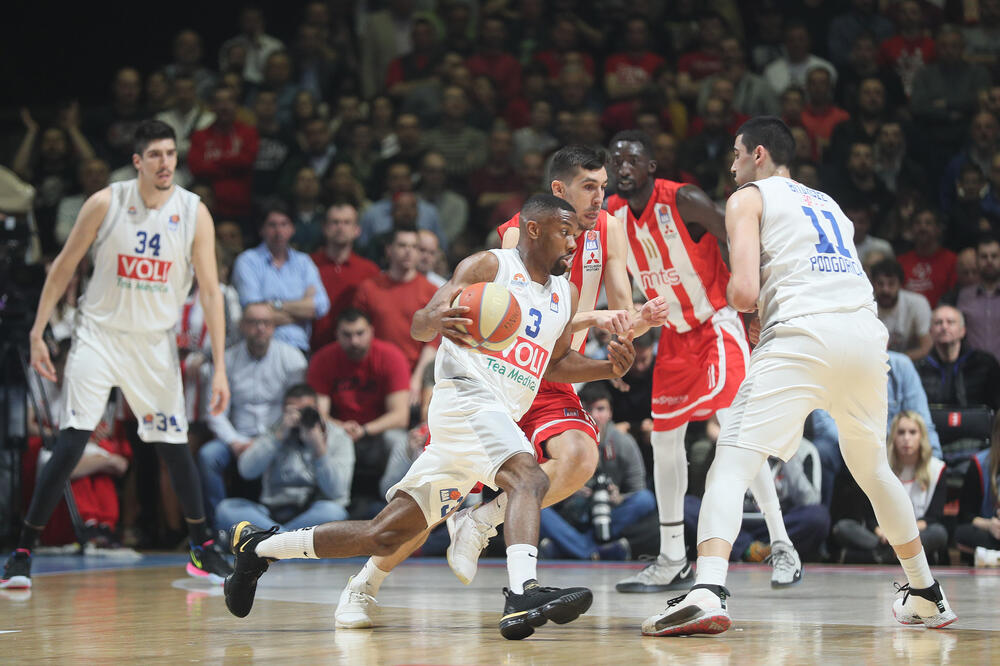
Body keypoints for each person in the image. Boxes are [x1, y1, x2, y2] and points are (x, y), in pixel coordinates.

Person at [222, 194, 636, 640]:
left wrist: (608, 369)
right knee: (529, 478)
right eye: (565, 233)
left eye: (577, 235)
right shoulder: (489, 267)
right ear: (533, 230)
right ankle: (522, 592)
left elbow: (554, 364)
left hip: (493, 417)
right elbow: (421, 325)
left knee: (385, 534)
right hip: (466, 397)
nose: (574, 243)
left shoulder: (564, 293)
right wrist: (436, 318)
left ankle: (259, 547)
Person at [642, 116, 955, 637]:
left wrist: (739, 300)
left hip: (802, 334)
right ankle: (926, 592)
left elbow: (743, 292)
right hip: (864, 335)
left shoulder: (748, 197)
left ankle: (708, 590)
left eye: (736, 155)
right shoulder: (829, 203)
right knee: (874, 470)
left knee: (731, 462)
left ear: (758, 154)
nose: (732, 167)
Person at [332, 145, 670, 627]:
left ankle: (483, 522)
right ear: (559, 191)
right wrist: (592, 318)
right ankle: (365, 583)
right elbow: (518, 315)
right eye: (589, 187)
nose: (600, 197)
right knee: (431, 503)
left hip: (549, 370)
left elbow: (619, 321)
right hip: (497, 373)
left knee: (580, 456)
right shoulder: (522, 231)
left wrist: (636, 324)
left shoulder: (609, 229)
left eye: (603, 187)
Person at [1, 120, 233, 590]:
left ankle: (202, 548)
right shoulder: (106, 202)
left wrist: (222, 368)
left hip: (153, 343)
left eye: (171, 153)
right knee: (71, 442)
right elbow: (63, 266)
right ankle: (22, 553)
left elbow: (210, 292)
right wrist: (37, 331)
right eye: (156, 155)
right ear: (137, 162)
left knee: (173, 446)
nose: (165, 163)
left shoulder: (194, 212)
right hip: (99, 336)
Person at [606, 130, 801, 592]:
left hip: (717, 321)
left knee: (737, 431)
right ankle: (673, 557)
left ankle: (782, 543)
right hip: (673, 334)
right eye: (616, 160)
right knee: (664, 440)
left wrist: (754, 305)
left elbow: (736, 237)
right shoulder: (612, 216)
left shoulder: (685, 200)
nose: (623, 167)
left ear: (651, 166)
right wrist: (623, 336)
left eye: (632, 159)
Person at [198, 302, 307, 527]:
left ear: (274, 326)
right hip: (238, 437)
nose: (260, 328)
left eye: (266, 323)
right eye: (253, 323)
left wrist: (272, 440)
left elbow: (297, 407)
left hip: (279, 437)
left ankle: (287, 523)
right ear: (242, 326)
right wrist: (234, 441)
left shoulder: (292, 358)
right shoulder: (226, 361)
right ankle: (218, 528)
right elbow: (214, 411)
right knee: (208, 456)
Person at [306, 309, 410, 516]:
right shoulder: (324, 359)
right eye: (347, 335)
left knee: (399, 440)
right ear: (336, 334)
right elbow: (319, 414)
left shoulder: (390, 356)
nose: (354, 341)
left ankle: (393, 504)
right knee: (316, 435)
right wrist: (341, 427)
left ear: (371, 331)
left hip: (377, 432)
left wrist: (364, 429)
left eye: (360, 333)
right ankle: (333, 503)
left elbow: (400, 416)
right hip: (339, 431)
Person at [537, 383, 656, 561]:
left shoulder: (623, 442)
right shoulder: (561, 440)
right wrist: (568, 490)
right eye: (587, 409)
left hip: (610, 515)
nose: (594, 416)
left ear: (610, 413)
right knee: (535, 507)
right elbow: (544, 489)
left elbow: (637, 489)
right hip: (571, 513)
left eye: (600, 409)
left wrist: (618, 497)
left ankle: (572, 548)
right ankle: (593, 552)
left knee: (646, 499)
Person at [213, 384, 354, 532]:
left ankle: (273, 539)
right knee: (226, 509)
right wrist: (278, 437)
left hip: (311, 514)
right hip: (271, 514)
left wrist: (319, 447)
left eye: (306, 411)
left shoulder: (338, 437)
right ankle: (285, 540)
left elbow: (337, 491)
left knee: (334, 512)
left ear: (318, 410)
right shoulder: (275, 430)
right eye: (294, 411)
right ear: (284, 411)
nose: (300, 417)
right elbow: (246, 471)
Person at [832, 411, 948, 563]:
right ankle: (896, 555)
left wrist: (905, 535)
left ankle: (880, 556)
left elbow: (933, 518)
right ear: (893, 437)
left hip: (917, 533)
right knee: (843, 528)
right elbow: (870, 516)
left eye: (912, 432)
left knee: (939, 533)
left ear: (922, 437)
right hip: (883, 536)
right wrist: (882, 533)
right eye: (901, 432)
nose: (906, 438)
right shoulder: (879, 467)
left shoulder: (936, 469)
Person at [231, 201, 330, 353]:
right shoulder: (247, 261)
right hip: (261, 348)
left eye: (284, 224)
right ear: (261, 229)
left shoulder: (304, 262)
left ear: (292, 229)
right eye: (272, 225)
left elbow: (320, 306)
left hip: (299, 348)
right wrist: (302, 310)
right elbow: (254, 313)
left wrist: (274, 305)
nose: (279, 231)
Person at [915, 305, 1000, 410]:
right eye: (938, 323)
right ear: (930, 332)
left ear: (962, 331)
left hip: (977, 420)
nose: (944, 327)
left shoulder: (985, 364)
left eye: (950, 322)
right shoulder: (919, 368)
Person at [955, 413, 1000, 565]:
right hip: (991, 531)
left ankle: (990, 556)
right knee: (962, 534)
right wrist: (990, 525)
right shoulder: (979, 463)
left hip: (989, 547)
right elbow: (966, 516)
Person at [871, 258, 933, 360]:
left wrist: (897, 362)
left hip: (911, 362)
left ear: (900, 285)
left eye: (891, 284)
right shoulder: (865, 305)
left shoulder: (918, 303)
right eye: (880, 284)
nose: (885, 289)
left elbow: (926, 347)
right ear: (872, 284)